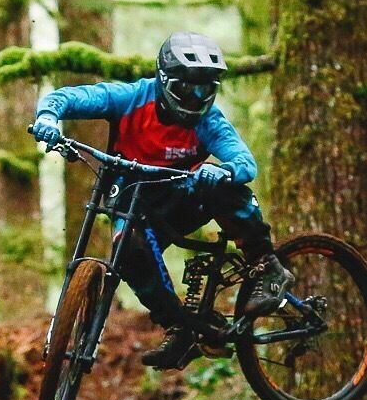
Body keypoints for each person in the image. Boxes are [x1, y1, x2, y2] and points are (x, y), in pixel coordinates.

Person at [30, 32, 294, 370]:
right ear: (165, 80)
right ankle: (179, 329)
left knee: (224, 183)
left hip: (186, 200)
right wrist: (48, 117)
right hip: (135, 202)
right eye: (188, 88)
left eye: (205, 89)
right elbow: (71, 97)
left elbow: (245, 163)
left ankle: (267, 267)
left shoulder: (208, 121)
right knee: (128, 249)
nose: (197, 97)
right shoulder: (130, 98)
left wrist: (224, 170)